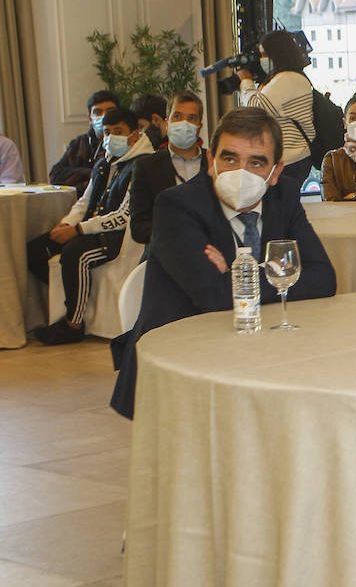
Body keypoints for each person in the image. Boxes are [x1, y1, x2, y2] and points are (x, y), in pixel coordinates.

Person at [109, 107, 337, 419]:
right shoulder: (176, 206)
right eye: (229, 159)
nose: (240, 173)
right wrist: (276, 275)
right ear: (210, 162)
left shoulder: (282, 196)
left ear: (276, 171)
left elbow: (323, 278)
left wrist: (236, 274)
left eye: (256, 162)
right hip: (176, 365)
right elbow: (214, 298)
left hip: (259, 351)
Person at [26, 107, 154, 343]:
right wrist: (66, 224)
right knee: (35, 250)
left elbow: (124, 216)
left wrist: (78, 230)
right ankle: (71, 300)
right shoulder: (104, 163)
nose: (110, 137)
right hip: (88, 229)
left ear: (135, 134)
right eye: (106, 132)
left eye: (118, 131)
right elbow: (85, 201)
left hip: (114, 238)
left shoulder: (143, 166)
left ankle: (73, 324)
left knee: (75, 253)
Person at [128, 91, 209, 251]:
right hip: (164, 253)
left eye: (191, 118)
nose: (184, 123)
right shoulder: (146, 166)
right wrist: (175, 234)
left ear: (199, 126)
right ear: (166, 122)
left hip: (211, 251)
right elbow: (138, 228)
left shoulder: (214, 162)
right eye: (177, 116)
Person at [237, 29, 316, 183]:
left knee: (281, 205)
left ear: (277, 53)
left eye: (265, 54)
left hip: (290, 159)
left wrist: (246, 81)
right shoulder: (283, 78)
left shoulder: (288, 79)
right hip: (287, 158)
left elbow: (255, 108)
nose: (262, 59)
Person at [50, 90, 119, 194]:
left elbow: (107, 182)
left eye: (110, 111)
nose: (104, 116)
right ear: (89, 118)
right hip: (76, 202)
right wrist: (90, 173)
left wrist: (77, 177)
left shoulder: (122, 144)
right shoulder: (79, 142)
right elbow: (55, 175)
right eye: (98, 112)